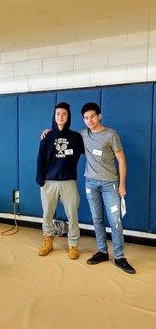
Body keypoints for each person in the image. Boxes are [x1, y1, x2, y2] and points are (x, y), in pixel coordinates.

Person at [41, 102, 136, 274]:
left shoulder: (111, 134)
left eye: (93, 116)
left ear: (99, 116)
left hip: (110, 184)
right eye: (86, 118)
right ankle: (102, 251)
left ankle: (120, 257)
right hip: (91, 183)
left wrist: (122, 184)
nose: (89, 120)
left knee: (115, 221)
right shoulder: (81, 135)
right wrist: (48, 131)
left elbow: (122, 160)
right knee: (97, 220)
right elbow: (63, 133)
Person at [36, 102, 84, 260]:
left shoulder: (76, 137)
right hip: (49, 182)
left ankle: (73, 244)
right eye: (58, 114)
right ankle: (48, 241)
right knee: (47, 213)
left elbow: (89, 148)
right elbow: (40, 159)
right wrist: (40, 179)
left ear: (68, 116)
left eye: (64, 114)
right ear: (54, 116)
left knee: (72, 214)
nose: (61, 117)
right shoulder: (47, 136)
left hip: (68, 181)